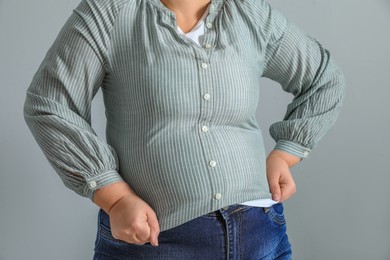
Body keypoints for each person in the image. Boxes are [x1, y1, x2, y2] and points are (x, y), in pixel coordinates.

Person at [23, 0, 345, 258]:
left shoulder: (252, 14)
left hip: (260, 233)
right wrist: (115, 198)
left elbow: (323, 78)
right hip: (157, 241)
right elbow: (50, 103)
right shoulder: (109, 12)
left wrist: (285, 154)